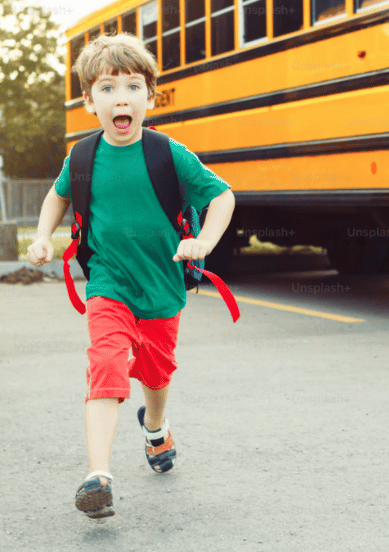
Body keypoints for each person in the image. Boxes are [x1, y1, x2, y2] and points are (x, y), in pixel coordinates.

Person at [27, 33, 235, 520]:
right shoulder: (81, 157)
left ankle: (156, 426)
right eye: (107, 88)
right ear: (88, 101)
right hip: (108, 283)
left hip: (162, 286)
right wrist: (42, 236)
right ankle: (98, 477)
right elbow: (58, 196)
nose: (121, 97)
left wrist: (203, 242)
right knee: (106, 365)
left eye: (133, 87)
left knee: (157, 373)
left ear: (150, 97)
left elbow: (221, 196)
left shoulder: (168, 154)